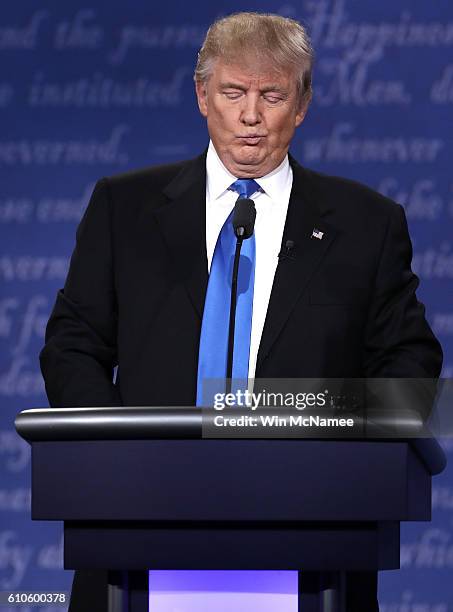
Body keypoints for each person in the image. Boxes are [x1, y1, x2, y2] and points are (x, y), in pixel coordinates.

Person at [40, 12, 443, 612]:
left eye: (272, 95)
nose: (251, 115)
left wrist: (325, 432)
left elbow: (409, 365)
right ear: (203, 96)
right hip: (139, 529)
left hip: (312, 536)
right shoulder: (124, 208)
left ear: (301, 105)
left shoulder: (366, 224)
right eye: (233, 93)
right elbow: (72, 345)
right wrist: (112, 459)